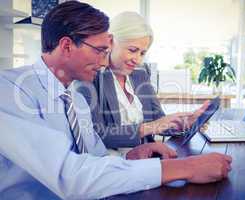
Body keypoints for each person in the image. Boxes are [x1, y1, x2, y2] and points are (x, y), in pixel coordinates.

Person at [0, 1, 232, 199]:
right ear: (67, 46)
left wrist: (131, 156)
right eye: (100, 51)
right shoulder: (10, 90)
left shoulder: (75, 101)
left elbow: (95, 158)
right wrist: (184, 167)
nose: (104, 63)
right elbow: (69, 176)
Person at [78, 12, 209, 150]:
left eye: (142, 53)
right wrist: (149, 127)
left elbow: (159, 120)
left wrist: (182, 123)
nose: (138, 60)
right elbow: (99, 135)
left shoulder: (140, 75)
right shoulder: (90, 77)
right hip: (114, 163)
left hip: (147, 158)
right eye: (132, 50)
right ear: (111, 42)